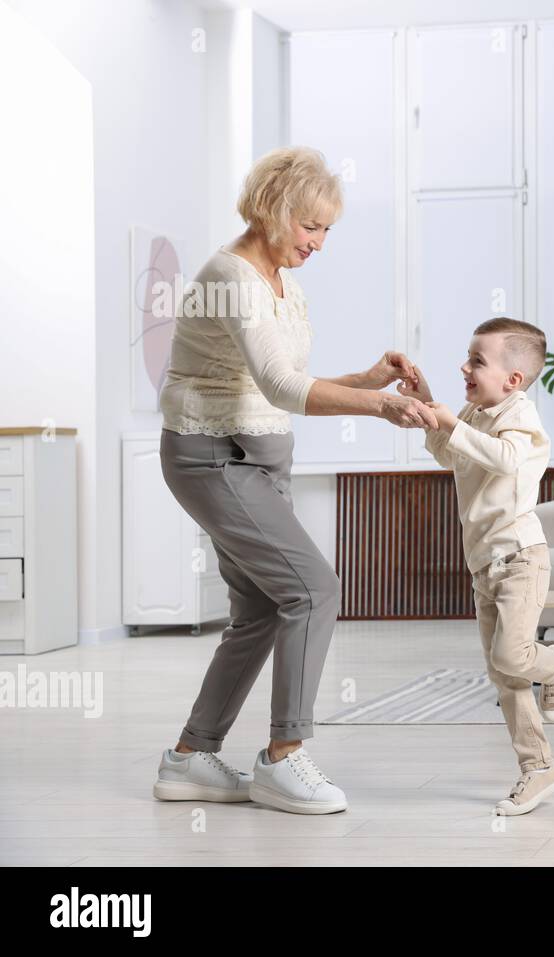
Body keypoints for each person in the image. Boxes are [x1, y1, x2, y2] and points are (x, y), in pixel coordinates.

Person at [152, 146, 430, 814]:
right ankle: (284, 756)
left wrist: (366, 380)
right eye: (312, 226)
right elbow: (280, 384)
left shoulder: (281, 279)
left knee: (257, 610)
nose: (320, 243)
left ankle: (189, 757)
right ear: (275, 210)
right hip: (215, 455)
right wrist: (380, 406)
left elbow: (275, 378)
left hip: (254, 456)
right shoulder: (231, 275)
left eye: (328, 229)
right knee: (314, 588)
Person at [401, 317, 554, 816]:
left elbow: (505, 461)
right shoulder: (474, 413)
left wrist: (454, 424)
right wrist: (428, 403)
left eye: (477, 360)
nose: (465, 366)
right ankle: (537, 768)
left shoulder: (521, 417)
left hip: (521, 558)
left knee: (515, 657)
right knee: (504, 675)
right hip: (483, 565)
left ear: (512, 380)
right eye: (468, 357)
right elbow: (449, 456)